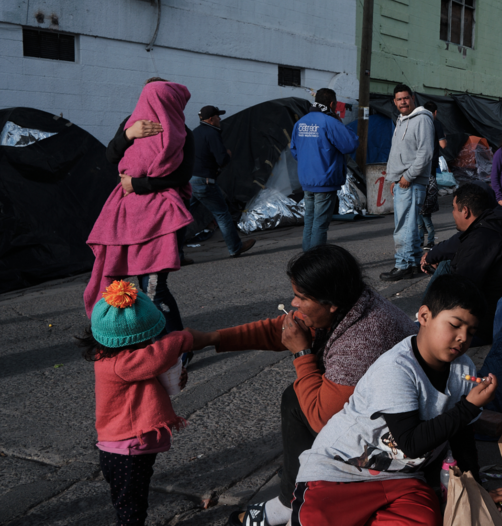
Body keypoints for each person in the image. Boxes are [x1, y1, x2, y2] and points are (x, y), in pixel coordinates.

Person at [186, 245, 416, 526]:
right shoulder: (344, 303)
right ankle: (301, 480)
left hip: (397, 437)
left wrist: (302, 354)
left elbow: (321, 419)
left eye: (300, 297)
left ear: (330, 303)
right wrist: (211, 339)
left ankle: (291, 501)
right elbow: (281, 330)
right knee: (301, 395)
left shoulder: (363, 338)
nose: (294, 303)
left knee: (298, 400)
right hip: (375, 410)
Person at [290, 276, 502, 525]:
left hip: (403, 480)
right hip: (341, 472)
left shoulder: (463, 370)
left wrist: (475, 493)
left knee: (426, 520)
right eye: (455, 325)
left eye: (470, 332)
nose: (462, 338)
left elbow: (463, 439)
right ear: (425, 317)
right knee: (315, 520)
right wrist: (469, 407)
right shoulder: (396, 369)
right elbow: (411, 443)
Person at [77, 280, 195, 526]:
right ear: (133, 342)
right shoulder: (119, 365)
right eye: (148, 337)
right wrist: (185, 337)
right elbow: (157, 356)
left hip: (130, 447)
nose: (152, 340)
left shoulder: (118, 358)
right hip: (125, 451)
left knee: (134, 498)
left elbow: (149, 373)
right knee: (131, 508)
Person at [85, 81, 196, 320]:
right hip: (130, 216)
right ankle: (146, 337)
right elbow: (111, 155)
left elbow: (182, 175)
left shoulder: (182, 132)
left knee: (153, 287)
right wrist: (129, 134)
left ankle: (177, 348)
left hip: (162, 214)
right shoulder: (131, 122)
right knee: (128, 285)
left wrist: (136, 185)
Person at [421, 183, 502, 343]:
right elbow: (452, 247)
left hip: (482, 326)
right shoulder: (493, 225)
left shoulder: (482, 238)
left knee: (414, 335)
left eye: (454, 208)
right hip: (494, 317)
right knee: (446, 262)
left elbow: (461, 289)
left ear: (465, 211)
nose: (452, 213)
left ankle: (426, 318)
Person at [290, 88, 358, 251]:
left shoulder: (301, 122)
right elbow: (350, 144)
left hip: (307, 180)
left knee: (310, 224)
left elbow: (294, 150)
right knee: (320, 225)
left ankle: (306, 261)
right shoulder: (330, 122)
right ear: (332, 104)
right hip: (325, 180)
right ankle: (315, 264)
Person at [381, 84, 434, 281]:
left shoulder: (422, 119)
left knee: (404, 226)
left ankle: (403, 265)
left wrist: (407, 176)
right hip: (402, 181)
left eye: (406, 98)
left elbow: (426, 152)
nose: (403, 102)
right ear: (395, 102)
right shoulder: (402, 120)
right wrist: (395, 179)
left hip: (411, 182)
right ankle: (412, 264)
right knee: (407, 225)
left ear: (412, 98)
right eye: (399, 99)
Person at [190, 105, 256, 258]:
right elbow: (221, 159)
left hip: (191, 181)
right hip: (205, 181)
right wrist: (227, 154)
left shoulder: (195, 132)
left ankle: (175, 254)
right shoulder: (212, 132)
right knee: (222, 214)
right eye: (217, 116)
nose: (220, 119)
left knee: (184, 216)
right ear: (211, 119)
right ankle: (235, 247)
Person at [417, 101, 447, 250]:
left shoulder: (417, 121)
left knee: (419, 206)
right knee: (429, 200)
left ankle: (420, 240)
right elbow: (443, 145)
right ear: (435, 112)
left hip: (417, 168)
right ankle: (429, 240)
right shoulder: (436, 123)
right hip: (430, 167)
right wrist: (442, 137)